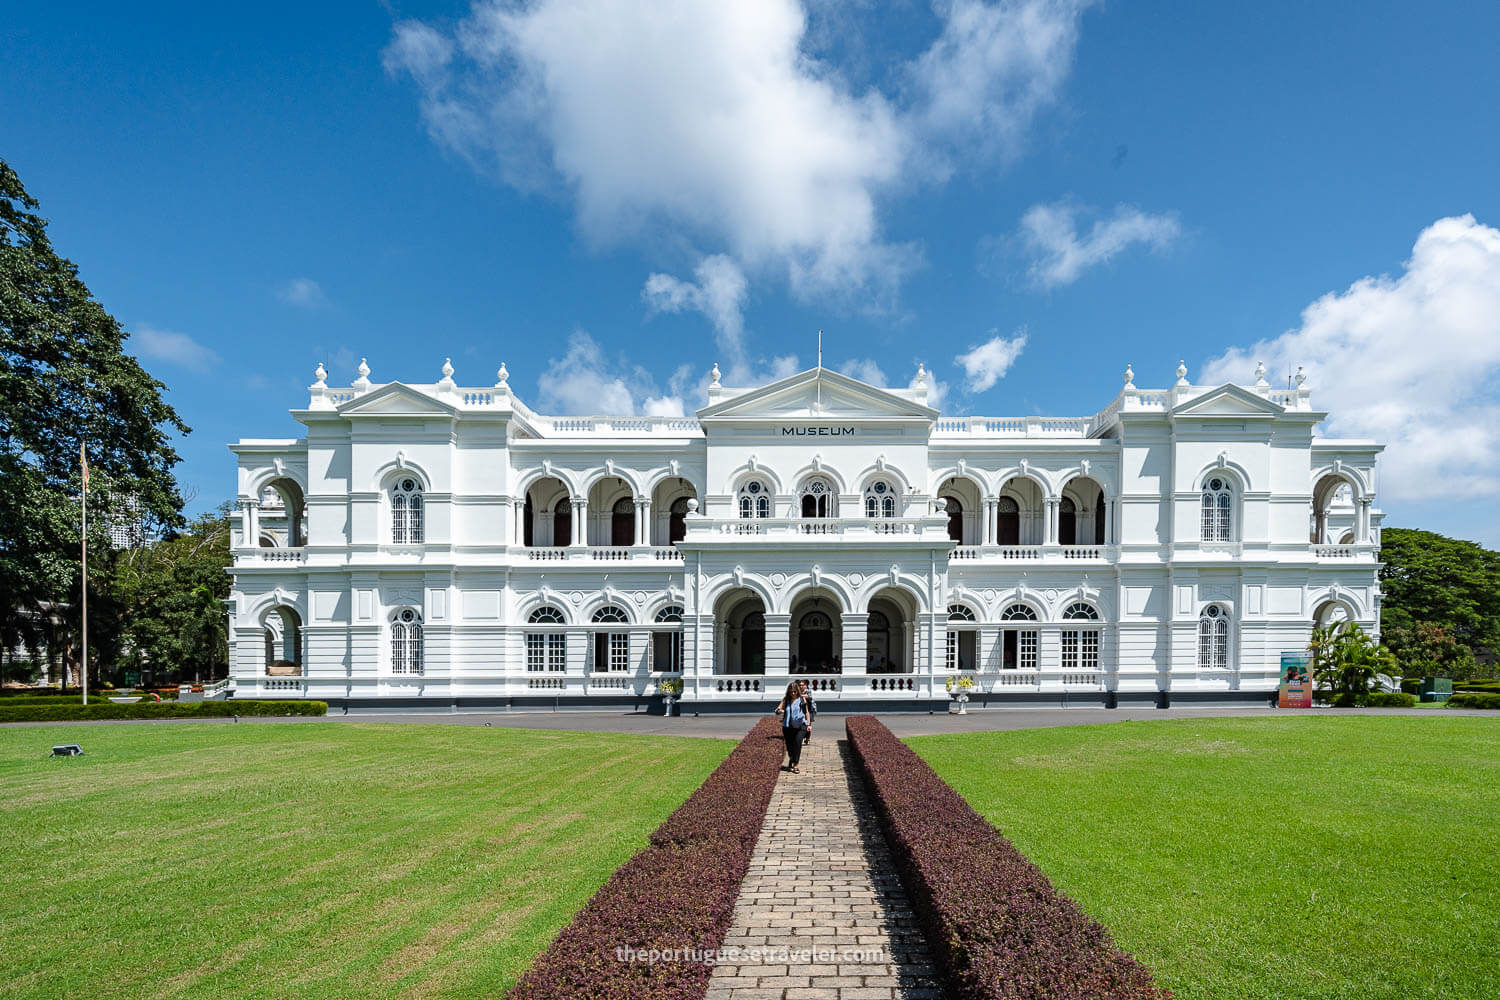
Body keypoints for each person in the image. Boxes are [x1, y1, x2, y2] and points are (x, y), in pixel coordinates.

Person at [775, 680, 809, 773]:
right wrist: (781, 711)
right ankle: (791, 759)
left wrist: (809, 724)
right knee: (790, 747)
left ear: (797, 691)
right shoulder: (786, 700)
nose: (793, 693)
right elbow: (777, 710)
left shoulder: (802, 699)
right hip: (788, 727)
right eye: (791, 692)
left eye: (795, 691)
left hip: (801, 726)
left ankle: (796, 765)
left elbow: (806, 712)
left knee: (797, 743)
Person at [801, 679, 817, 745]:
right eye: (800, 685)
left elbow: (809, 697)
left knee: (808, 724)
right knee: (802, 724)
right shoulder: (798, 692)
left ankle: (808, 738)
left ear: (806, 686)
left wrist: (801, 696)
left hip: (809, 710)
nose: (801, 686)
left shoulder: (808, 691)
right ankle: (803, 737)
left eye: (803, 685)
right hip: (802, 710)